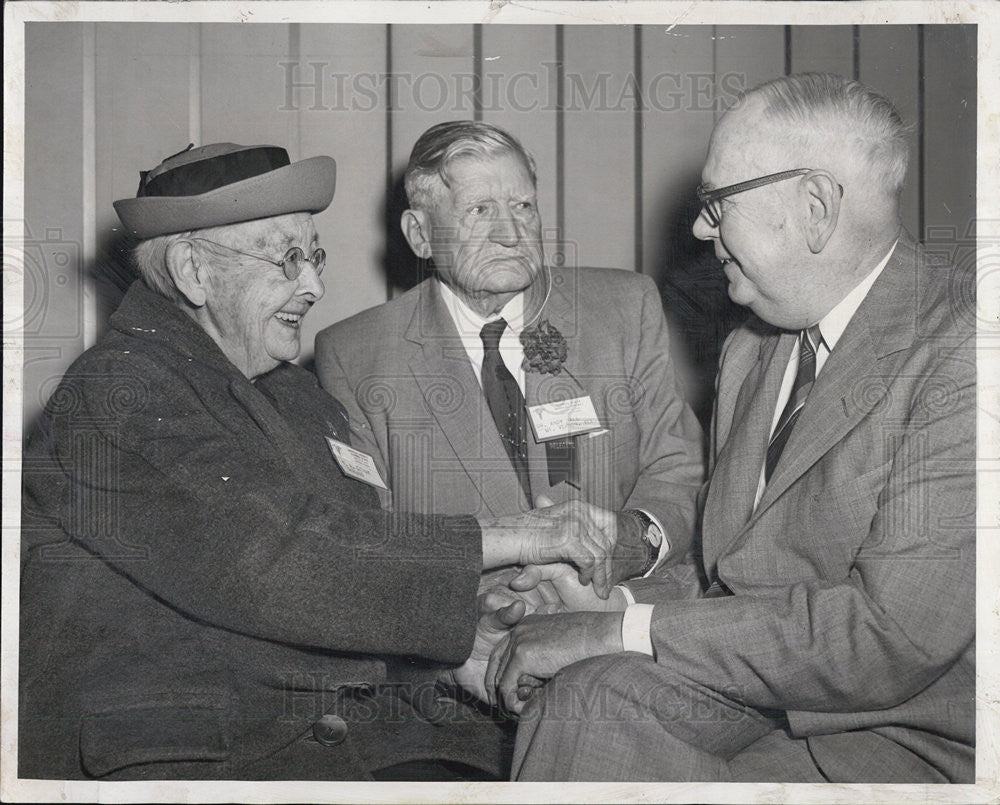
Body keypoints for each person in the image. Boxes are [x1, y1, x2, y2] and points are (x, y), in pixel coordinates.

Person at [18, 142, 624, 781]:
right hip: (183, 757)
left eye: (315, 257)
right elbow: (274, 561)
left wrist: (456, 653)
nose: (314, 285)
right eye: (286, 259)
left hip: (339, 736)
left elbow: (342, 574)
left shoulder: (294, 392)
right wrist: (514, 538)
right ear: (192, 270)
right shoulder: (118, 390)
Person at [485, 73, 975, 783]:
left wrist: (616, 633)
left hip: (906, 734)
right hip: (768, 694)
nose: (698, 229)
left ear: (813, 208)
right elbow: (735, 578)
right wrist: (612, 600)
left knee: (594, 707)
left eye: (718, 204)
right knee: (583, 706)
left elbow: (887, 637)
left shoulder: (965, 353)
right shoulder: (755, 347)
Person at [315, 121, 705, 587]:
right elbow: (375, 539)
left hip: (615, 613)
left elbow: (678, 466)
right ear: (419, 234)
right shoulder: (354, 355)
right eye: (479, 210)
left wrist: (634, 541)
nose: (509, 233)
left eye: (523, 206)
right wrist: (473, 616)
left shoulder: (624, 308)